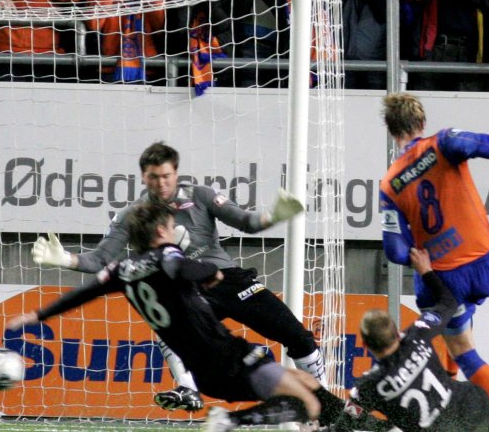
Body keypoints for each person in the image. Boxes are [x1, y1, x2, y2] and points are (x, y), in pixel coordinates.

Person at [14, 201, 392, 432]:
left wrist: (38, 314)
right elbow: (183, 268)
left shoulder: (121, 270)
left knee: (306, 386)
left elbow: (83, 293)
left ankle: (372, 428)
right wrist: (211, 273)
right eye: (170, 225)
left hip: (205, 370)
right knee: (306, 402)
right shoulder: (167, 256)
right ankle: (230, 423)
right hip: (227, 356)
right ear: (161, 230)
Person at [31, 142, 325, 413]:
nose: (161, 183)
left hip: (227, 279)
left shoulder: (201, 196)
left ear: (176, 173)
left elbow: (246, 222)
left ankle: (324, 401)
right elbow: (100, 259)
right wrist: (67, 259)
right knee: (169, 317)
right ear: (143, 178)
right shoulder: (134, 215)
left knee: (298, 336)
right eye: (153, 177)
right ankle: (188, 388)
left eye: (166, 176)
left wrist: (273, 215)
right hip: (188, 289)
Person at [378, 92, 489, 407]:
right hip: (488, 262)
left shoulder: (388, 185)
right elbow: (478, 144)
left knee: (464, 348)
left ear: (392, 132)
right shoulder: (445, 141)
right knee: (462, 311)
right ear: (422, 122)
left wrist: (420, 260)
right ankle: (450, 378)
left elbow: (394, 251)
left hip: (446, 280)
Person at [331, 247, 489, 431]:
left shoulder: (368, 386)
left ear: (364, 344)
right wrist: (426, 270)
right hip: (480, 413)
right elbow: (448, 302)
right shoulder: (416, 336)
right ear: (397, 333)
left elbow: (346, 423)